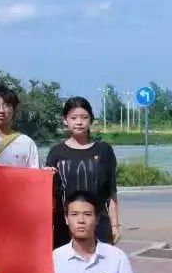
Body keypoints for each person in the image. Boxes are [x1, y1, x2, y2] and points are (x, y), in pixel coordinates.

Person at [46, 96, 119, 247]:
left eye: (84, 117)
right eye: (73, 118)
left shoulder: (104, 150)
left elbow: (111, 193)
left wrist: (115, 225)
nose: (79, 122)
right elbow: (50, 196)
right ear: (65, 120)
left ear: (91, 120)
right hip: (64, 227)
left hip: (98, 226)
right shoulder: (56, 152)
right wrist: (45, 177)